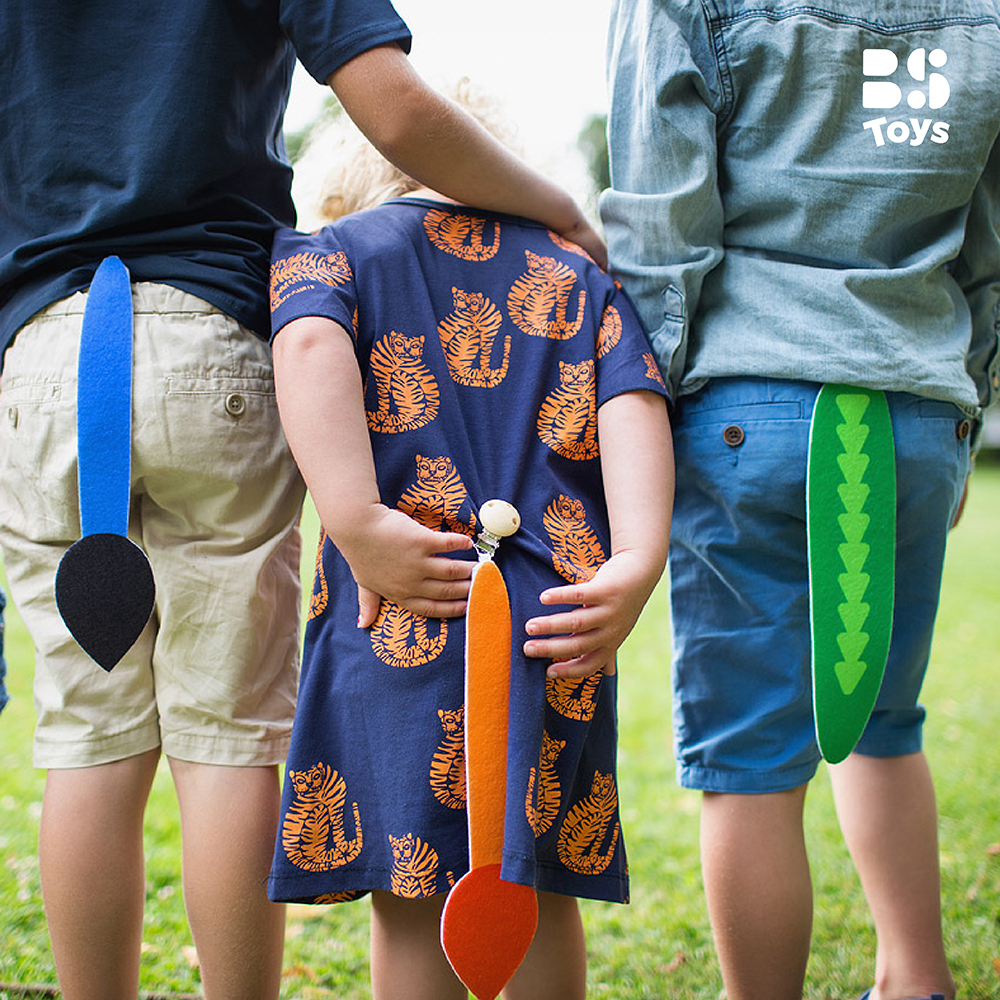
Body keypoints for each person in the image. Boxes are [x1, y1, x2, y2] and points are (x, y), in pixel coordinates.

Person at [0, 5, 607, 1000]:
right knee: (227, 736)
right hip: (212, 329)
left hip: (43, 353)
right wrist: (557, 209)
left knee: (87, 731)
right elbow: (398, 116)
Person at [601, 2, 999, 1000]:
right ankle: (917, 980)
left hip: (748, 407)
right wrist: (966, 402)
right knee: (883, 720)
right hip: (915, 411)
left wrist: (644, 404)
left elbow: (661, 222)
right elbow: (989, 250)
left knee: (745, 756)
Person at [265, 98, 673, 1000]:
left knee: (413, 890)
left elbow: (304, 346)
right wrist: (637, 563)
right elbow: (634, 401)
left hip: (400, 601)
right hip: (555, 622)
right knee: (532, 880)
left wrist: (356, 516)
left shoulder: (333, 254)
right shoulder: (576, 274)